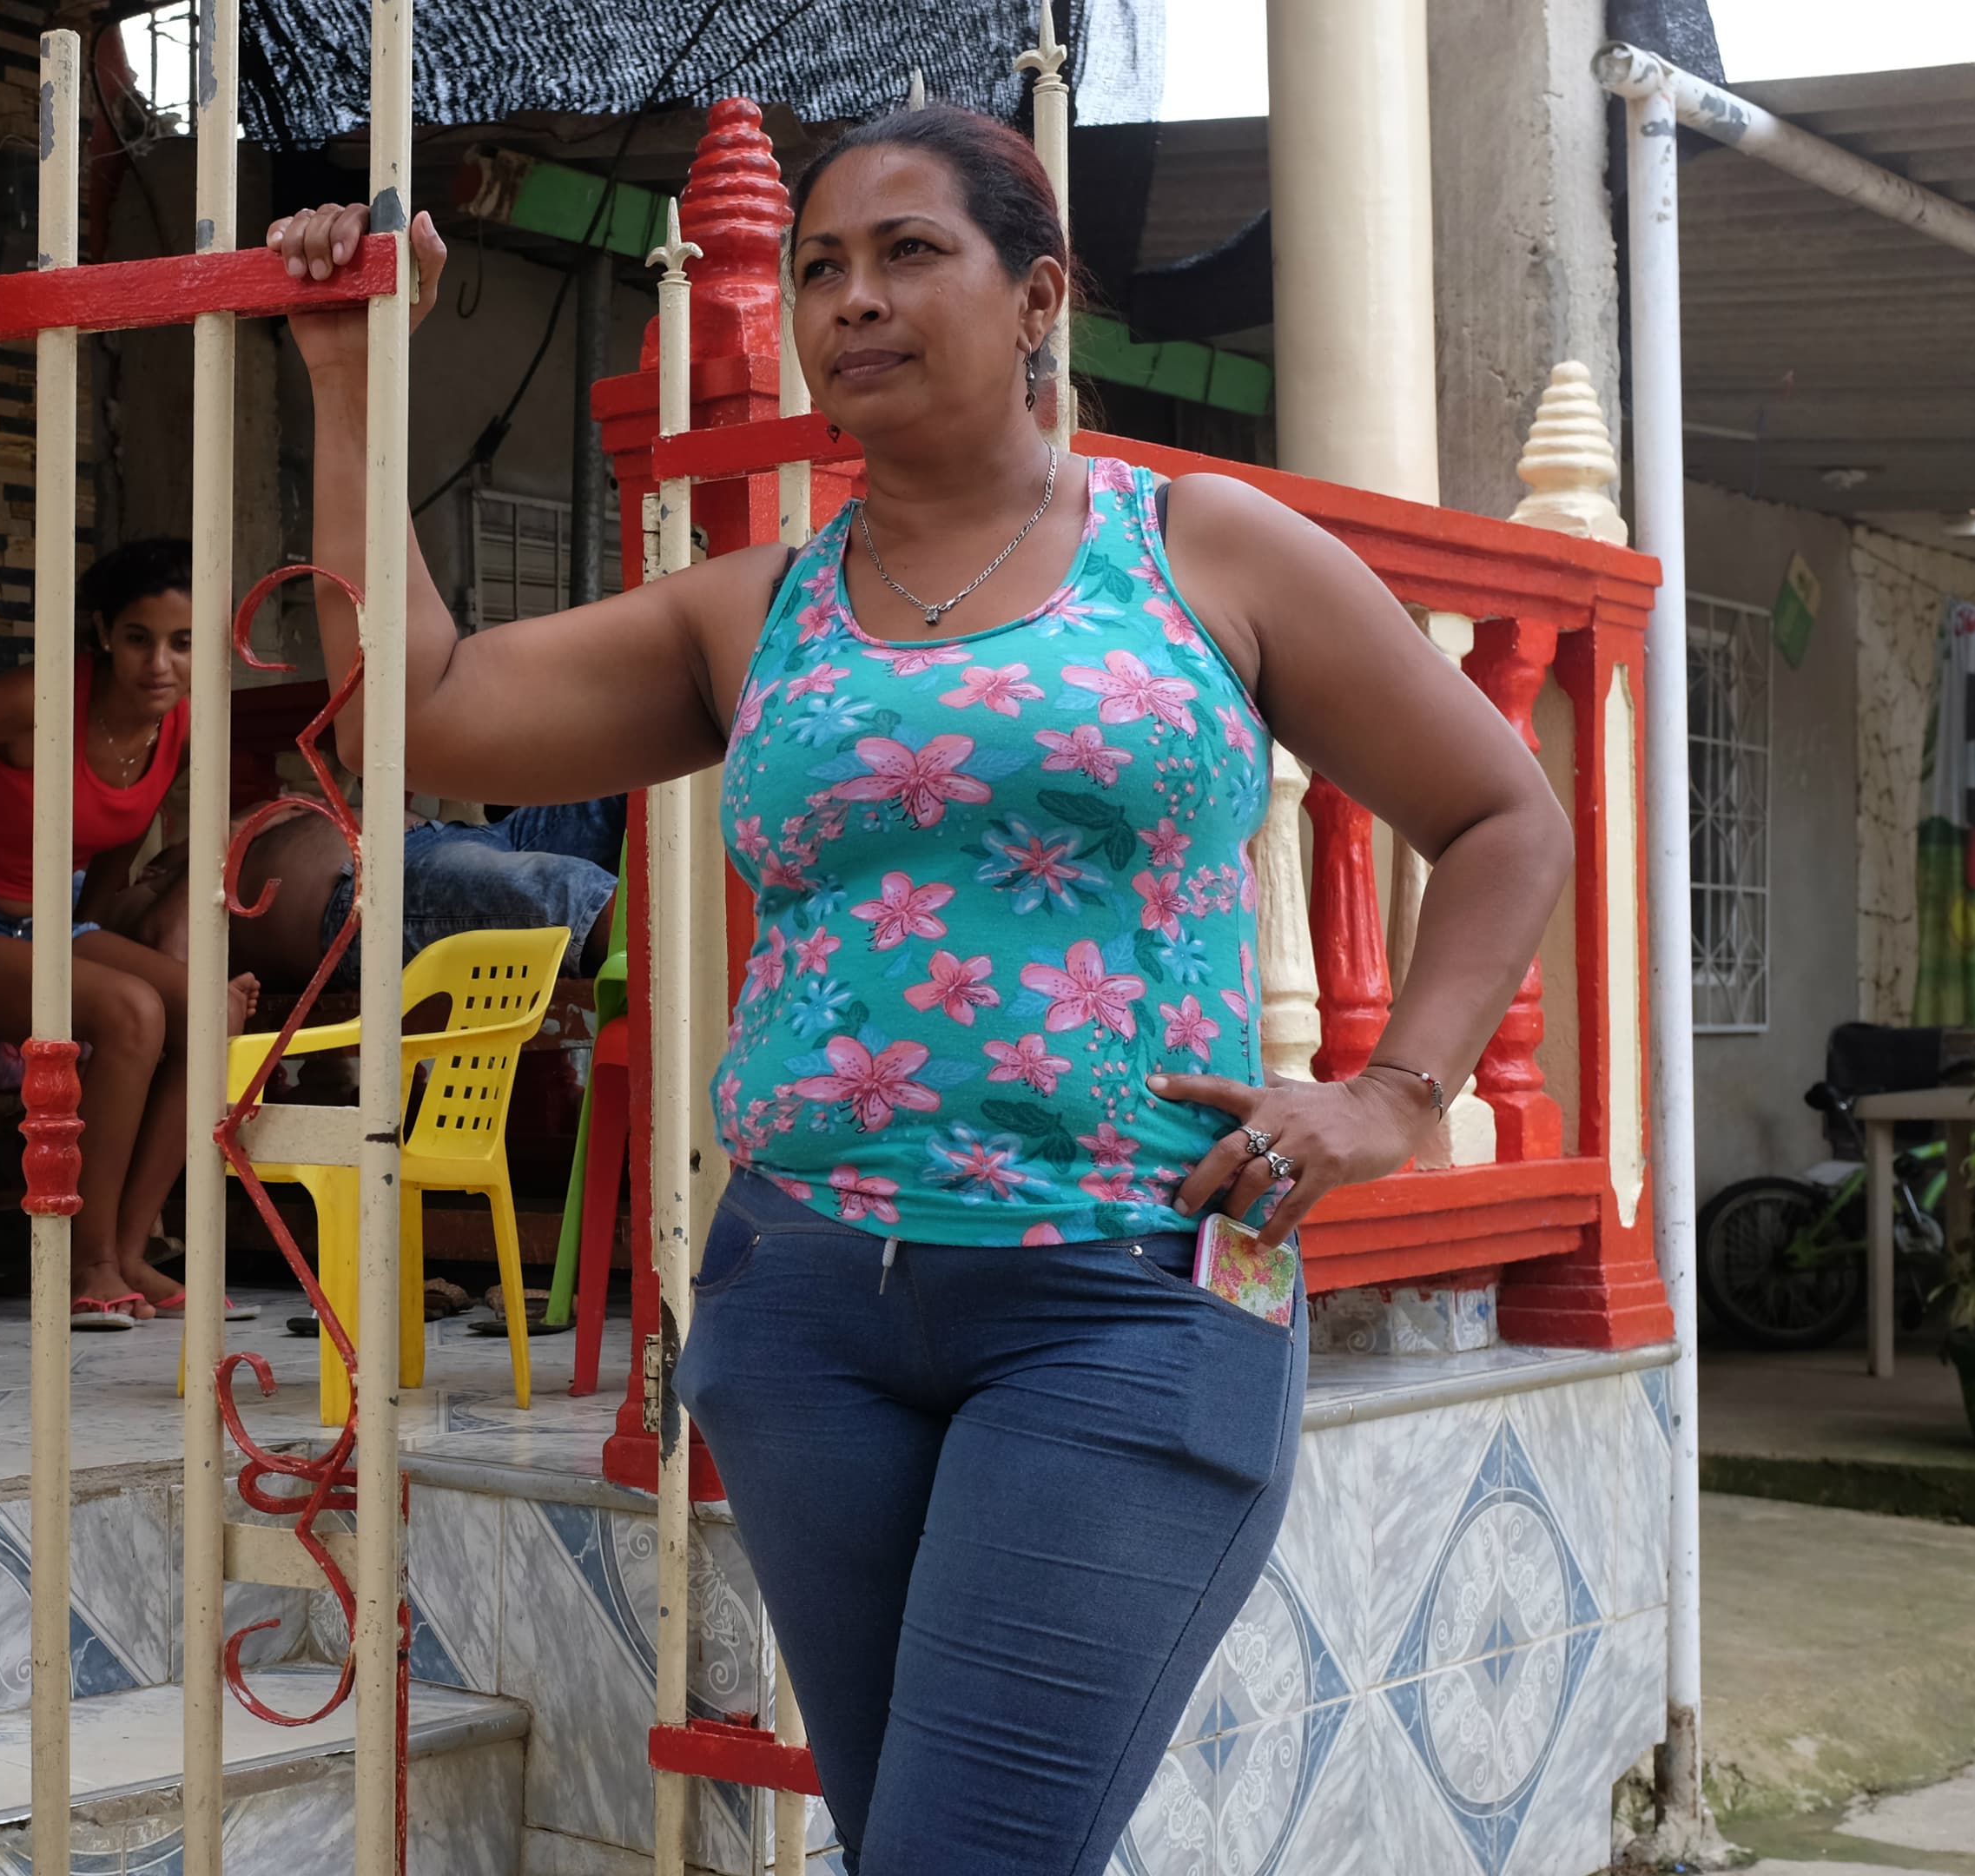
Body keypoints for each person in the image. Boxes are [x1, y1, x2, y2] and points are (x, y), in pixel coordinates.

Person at [268, 102, 1569, 1875]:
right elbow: (423, 716)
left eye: (906, 254)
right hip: (809, 1312)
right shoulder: (759, 611)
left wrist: (1392, 1095)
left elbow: (1503, 815)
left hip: (1125, 1297)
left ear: (1038, 297)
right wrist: (355, 383)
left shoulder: (1203, 549)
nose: (853, 299)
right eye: (820, 268)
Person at [0, 537, 254, 1329]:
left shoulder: (180, 727)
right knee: (131, 1011)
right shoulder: (36, 701)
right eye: (139, 639)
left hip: (49, 916)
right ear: (103, 633)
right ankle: (83, 1262)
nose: (160, 665)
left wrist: (99, 936)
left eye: (183, 642)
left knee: (213, 1009)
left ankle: (128, 1252)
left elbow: (111, 855)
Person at [225, 796, 624, 994]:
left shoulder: (242, 820)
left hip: (457, 836)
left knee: (630, 791)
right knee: (568, 894)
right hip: (365, 903)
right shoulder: (193, 888)